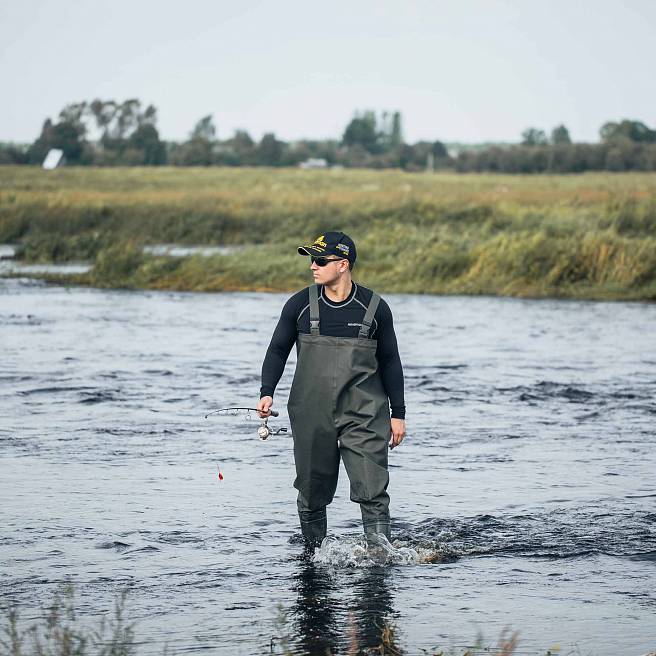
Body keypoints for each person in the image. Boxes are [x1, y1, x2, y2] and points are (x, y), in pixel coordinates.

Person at [257, 231, 406, 547]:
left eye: (320, 260)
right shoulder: (299, 305)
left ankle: (380, 558)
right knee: (312, 490)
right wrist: (266, 391)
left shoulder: (375, 308)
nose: (313, 266)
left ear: (343, 264)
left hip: (365, 415)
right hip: (312, 414)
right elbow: (276, 350)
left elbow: (391, 362)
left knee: (372, 487)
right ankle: (312, 557)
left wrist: (398, 414)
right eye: (311, 259)